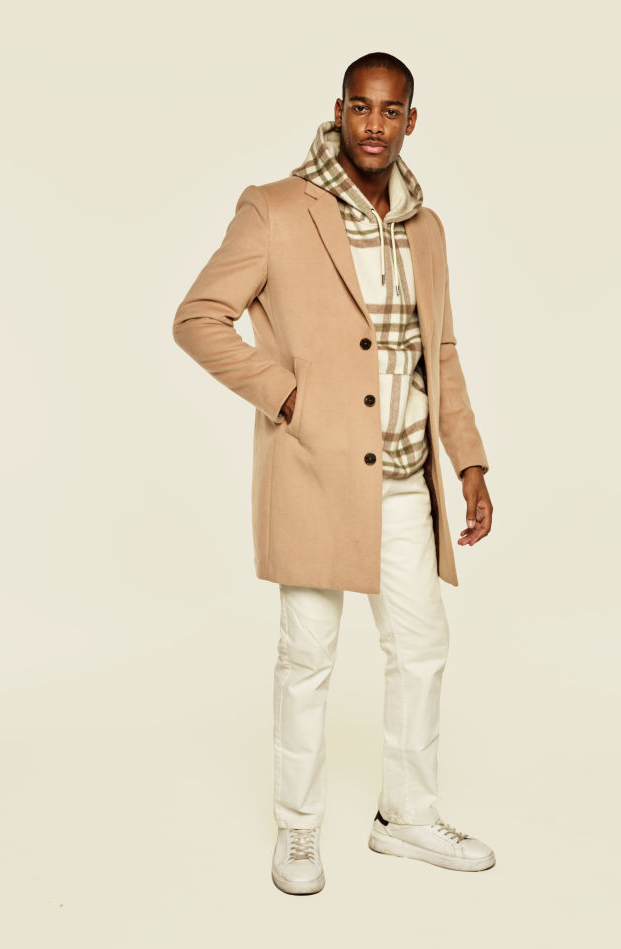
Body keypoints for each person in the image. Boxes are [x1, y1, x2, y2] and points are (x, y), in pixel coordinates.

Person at [172, 51, 496, 895]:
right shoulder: (276, 208)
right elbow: (199, 317)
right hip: (316, 474)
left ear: (410, 121)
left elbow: (439, 351)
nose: (374, 125)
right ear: (340, 109)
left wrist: (468, 461)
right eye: (360, 107)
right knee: (307, 656)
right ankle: (299, 826)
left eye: (390, 111)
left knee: (421, 649)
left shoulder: (427, 227)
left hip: (407, 480)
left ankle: (407, 818)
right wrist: (286, 395)